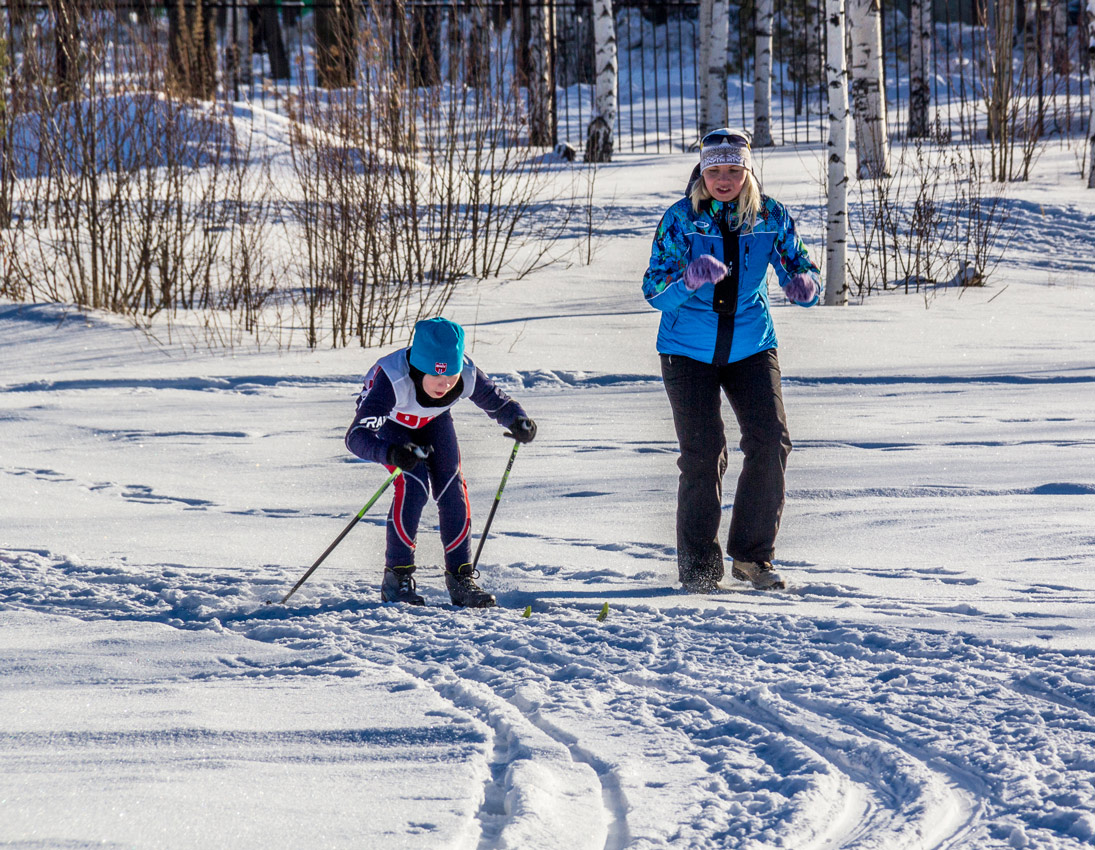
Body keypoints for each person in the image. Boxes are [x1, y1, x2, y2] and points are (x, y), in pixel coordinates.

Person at [641, 128, 820, 593]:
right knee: (704, 455)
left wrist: (804, 286)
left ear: (748, 170)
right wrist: (689, 279)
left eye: (733, 170)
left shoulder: (770, 216)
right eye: (715, 170)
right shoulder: (682, 220)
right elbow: (654, 290)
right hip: (687, 352)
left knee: (770, 442)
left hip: (752, 346)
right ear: (702, 171)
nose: (724, 179)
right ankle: (700, 571)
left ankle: (752, 558)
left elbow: (797, 264)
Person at [345, 317, 536, 607]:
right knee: (414, 484)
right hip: (393, 423)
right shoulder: (392, 379)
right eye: (437, 377)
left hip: (433, 420)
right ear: (419, 368)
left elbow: (500, 403)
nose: (445, 385)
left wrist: (519, 420)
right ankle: (397, 579)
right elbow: (356, 437)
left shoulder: (466, 374)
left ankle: (461, 579)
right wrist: (391, 453)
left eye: (451, 377)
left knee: (452, 487)